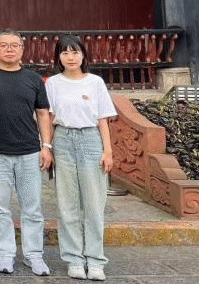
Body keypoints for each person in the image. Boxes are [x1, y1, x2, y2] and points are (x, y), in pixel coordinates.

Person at [0, 29, 53, 277]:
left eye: (14, 45)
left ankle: (33, 254)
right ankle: (5, 253)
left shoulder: (33, 79)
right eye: (4, 45)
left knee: (32, 207)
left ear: (22, 49)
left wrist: (46, 146)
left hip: (29, 151)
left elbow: (43, 113)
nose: (9, 49)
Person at [45, 35, 116, 281]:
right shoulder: (53, 83)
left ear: (83, 55)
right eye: (65, 53)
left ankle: (95, 260)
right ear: (58, 57)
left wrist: (108, 151)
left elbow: (103, 120)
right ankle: (74, 259)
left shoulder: (95, 82)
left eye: (75, 52)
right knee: (68, 204)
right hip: (63, 140)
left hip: (91, 140)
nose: (71, 57)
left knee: (94, 205)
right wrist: (47, 147)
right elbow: (48, 119)